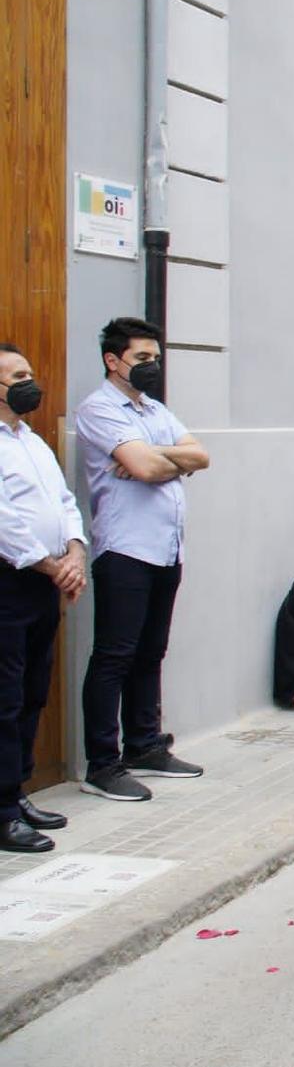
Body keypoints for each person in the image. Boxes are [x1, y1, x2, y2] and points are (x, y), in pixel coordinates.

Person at [74, 317, 211, 802]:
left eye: (156, 358)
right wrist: (159, 461)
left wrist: (154, 458)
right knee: (115, 655)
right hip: (125, 549)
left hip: (166, 547)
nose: (152, 367)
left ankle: (144, 744)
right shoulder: (98, 409)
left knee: (151, 652)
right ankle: (103, 763)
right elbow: (150, 466)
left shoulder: (153, 409)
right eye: (142, 359)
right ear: (113, 361)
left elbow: (201, 456)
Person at [0, 344, 86, 851]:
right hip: (11, 579)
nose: (29, 381)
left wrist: (74, 551)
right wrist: (53, 565)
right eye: (16, 375)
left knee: (34, 690)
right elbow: (5, 523)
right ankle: (3, 809)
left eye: (29, 372)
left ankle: (19, 789)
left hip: (44, 581)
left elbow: (64, 502)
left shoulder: (31, 441)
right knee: (5, 698)